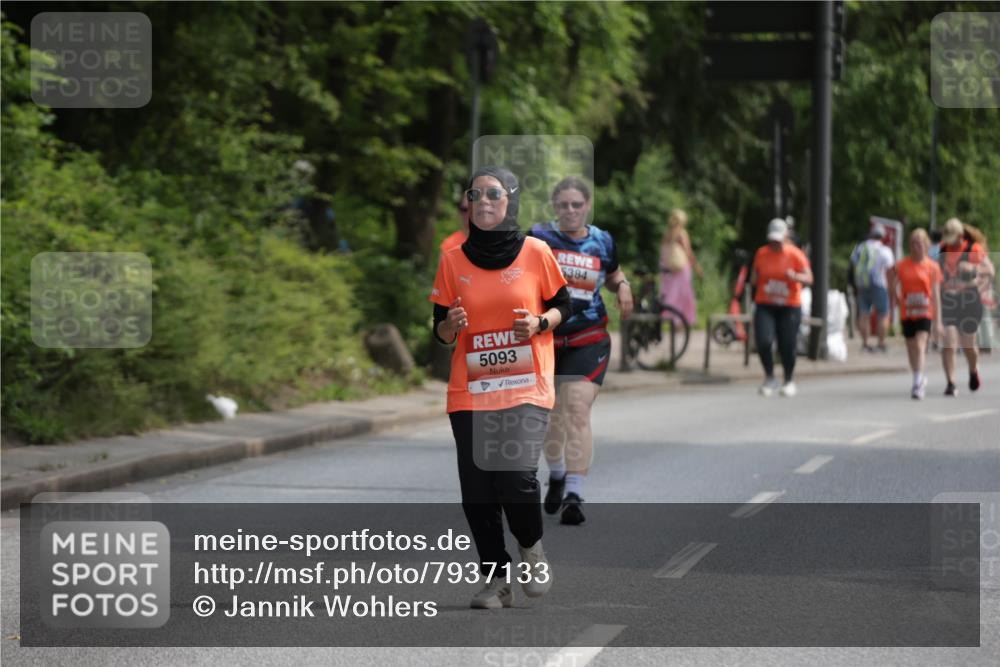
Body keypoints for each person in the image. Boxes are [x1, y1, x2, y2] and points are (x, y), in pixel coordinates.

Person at [430, 166, 571, 609]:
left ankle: (531, 548)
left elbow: (563, 304)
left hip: (526, 385)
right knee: (477, 492)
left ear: (510, 201)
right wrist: (449, 327)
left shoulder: (536, 251)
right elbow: (439, 329)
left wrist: (539, 322)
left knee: (516, 477)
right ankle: (496, 580)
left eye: (494, 193)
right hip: (471, 390)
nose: (484, 201)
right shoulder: (453, 259)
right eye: (476, 194)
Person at [528, 177, 633, 526]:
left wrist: (623, 287)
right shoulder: (539, 238)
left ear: (587, 206)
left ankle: (574, 493)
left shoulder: (602, 241)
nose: (570, 211)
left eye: (576, 205)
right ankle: (556, 474)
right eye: (563, 205)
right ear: (555, 208)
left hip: (588, 338)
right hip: (546, 340)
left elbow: (614, 274)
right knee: (550, 418)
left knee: (575, 409)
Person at [750, 218, 814, 397]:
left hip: (789, 306)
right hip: (765, 303)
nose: (775, 244)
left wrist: (794, 276)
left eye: (778, 240)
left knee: (787, 344)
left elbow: (809, 278)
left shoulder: (795, 254)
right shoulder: (761, 253)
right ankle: (770, 376)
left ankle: (788, 379)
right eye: (772, 240)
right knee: (763, 341)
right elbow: (754, 278)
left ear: (785, 237)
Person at [938, 217, 994, 396]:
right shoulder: (943, 248)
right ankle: (951, 383)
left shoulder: (973, 249)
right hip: (949, 299)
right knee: (949, 340)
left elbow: (990, 271)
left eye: (952, 238)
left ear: (960, 236)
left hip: (970, 300)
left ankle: (973, 370)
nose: (950, 242)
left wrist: (972, 268)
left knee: (969, 346)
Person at [888, 229, 943, 399]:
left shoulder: (932, 267)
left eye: (919, 242)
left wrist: (938, 321)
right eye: (913, 242)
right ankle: (918, 376)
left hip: (925, 311)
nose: (916, 245)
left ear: (926, 245)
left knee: (920, 345)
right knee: (911, 349)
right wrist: (895, 296)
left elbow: (935, 294)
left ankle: (917, 384)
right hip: (907, 311)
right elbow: (891, 278)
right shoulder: (902, 265)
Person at [849, 224, 896, 352]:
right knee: (883, 314)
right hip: (879, 284)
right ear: (882, 236)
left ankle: (864, 343)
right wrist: (892, 289)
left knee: (864, 313)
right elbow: (890, 270)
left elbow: (853, 265)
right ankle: (881, 343)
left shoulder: (860, 248)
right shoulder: (884, 250)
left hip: (862, 284)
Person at [658, 209, 702, 326]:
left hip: (668, 268)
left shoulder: (666, 234)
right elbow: (688, 252)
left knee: (669, 293)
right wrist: (697, 267)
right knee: (684, 294)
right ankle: (680, 321)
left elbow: (663, 252)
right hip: (681, 268)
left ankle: (669, 318)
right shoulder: (682, 233)